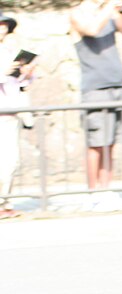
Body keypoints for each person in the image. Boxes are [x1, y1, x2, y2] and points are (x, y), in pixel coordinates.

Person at [70, 0, 122, 212]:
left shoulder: (108, 13)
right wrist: (109, 7)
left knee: (110, 142)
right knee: (96, 142)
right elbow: (91, 29)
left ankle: (106, 191)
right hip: (95, 88)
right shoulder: (76, 13)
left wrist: (120, 10)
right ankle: (93, 193)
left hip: (116, 83)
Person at [0, 11, 33, 220]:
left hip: (10, 109)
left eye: (4, 25)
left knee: (11, 160)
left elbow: (19, 85)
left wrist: (25, 73)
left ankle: (5, 200)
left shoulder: (8, 50)